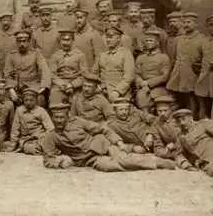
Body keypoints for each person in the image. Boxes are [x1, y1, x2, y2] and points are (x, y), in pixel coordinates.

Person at [43, 103, 176, 172]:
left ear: (67, 116)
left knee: (124, 160)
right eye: (56, 117)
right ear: (52, 118)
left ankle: (159, 163)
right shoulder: (51, 136)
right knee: (109, 167)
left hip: (102, 146)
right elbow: (48, 158)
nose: (59, 120)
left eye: (62, 117)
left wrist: (119, 143)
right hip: (90, 160)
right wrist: (59, 162)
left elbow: (103, 129)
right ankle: (148, 160)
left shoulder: (78, 122)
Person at [166, 12, 204, 115]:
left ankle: (191, 121)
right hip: (177, 75)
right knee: (175, 99)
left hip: (192, 75)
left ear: (196, 24)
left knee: (191, 100)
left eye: (189, 22)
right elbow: (173, 58)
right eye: (185, 22)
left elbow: (204, 59)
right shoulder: (178, 39)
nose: (186, 25)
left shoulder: (202, 39)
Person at [4, 30, 51, 106]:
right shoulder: (11, 55)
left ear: (29, 42)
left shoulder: (36, 54)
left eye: (24, 41)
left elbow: (45, 70)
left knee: (40, 99)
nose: (22, 44)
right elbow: (7, 75)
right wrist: (11, 89)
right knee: (7, 102)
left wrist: (43, 86)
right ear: (16, 42)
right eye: (19, 41)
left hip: (32, 86)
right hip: (16, 87)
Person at [4, 87, 54, 155]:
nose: (28, 102)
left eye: (31, 100)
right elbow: (15, 129)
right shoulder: (19, 110)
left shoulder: (41, 111)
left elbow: (50, 128)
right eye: (26, 100)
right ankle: (30, 148)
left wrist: (46, 139)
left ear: (36, 100)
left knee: (43, 145)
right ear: (23, 100)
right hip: (25, 138)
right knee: (26, 147)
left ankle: (38, 148)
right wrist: (13, 143)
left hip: (39, 137)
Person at [92, 26, 135, 103]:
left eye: (111, 37)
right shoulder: (102, 55)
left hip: (121, 94)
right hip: (102, 93)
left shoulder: (126, 53)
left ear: (118, 39)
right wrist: (96, 85)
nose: (108, 40)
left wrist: (117, 91)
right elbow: (94, 74)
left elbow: (129, 77)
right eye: (107, 38)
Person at [134, 30, 170, 114]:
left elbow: (164, 76)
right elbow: (136, 74)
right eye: (146, 41)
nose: (148, 43)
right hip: (143, 87)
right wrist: (142, 83)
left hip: (159, 87)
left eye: (151, 41)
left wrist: (148, 83)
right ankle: (146, 118)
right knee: (141, 97)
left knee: (159, 102)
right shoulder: (141, 58)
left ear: (157, 43)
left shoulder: (163, 57)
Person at [48, 30, 87, 104]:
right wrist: (63, 84)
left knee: (79, 103)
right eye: (63, 40)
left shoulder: (80, 55)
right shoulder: (55, 56)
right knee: (54, 97)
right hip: (59, 86)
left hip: (76, 87)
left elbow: (84, 75)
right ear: (59, 41)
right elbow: (52, 75)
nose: (65, 43)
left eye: (68, 40)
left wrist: (72, 85)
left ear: (73, 41)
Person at [151, 96, 185, 161]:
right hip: (173, 151)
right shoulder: (156, 124)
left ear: (171, 110)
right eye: (160, 111)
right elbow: (157, 145)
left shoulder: (180, 119)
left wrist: (175, 145)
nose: (162, 113)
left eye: (165, 110)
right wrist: (163, 152)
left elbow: (188, 138)